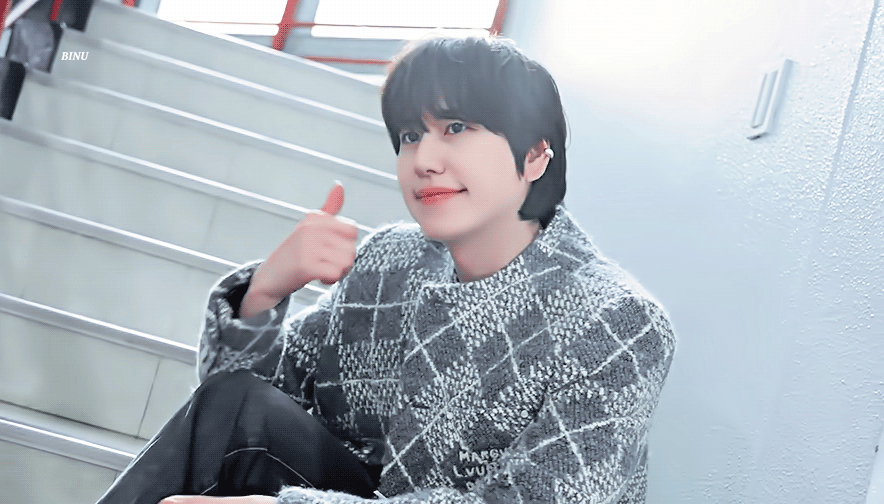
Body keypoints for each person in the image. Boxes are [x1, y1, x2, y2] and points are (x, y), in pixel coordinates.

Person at [96, 36, 675, 504]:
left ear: (535, 155)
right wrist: (266, 293)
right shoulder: (390, 260)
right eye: (410, 136)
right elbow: (234, 419)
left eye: (456, 128)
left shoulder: (620, 323)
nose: (424, 160)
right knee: (235, 404)